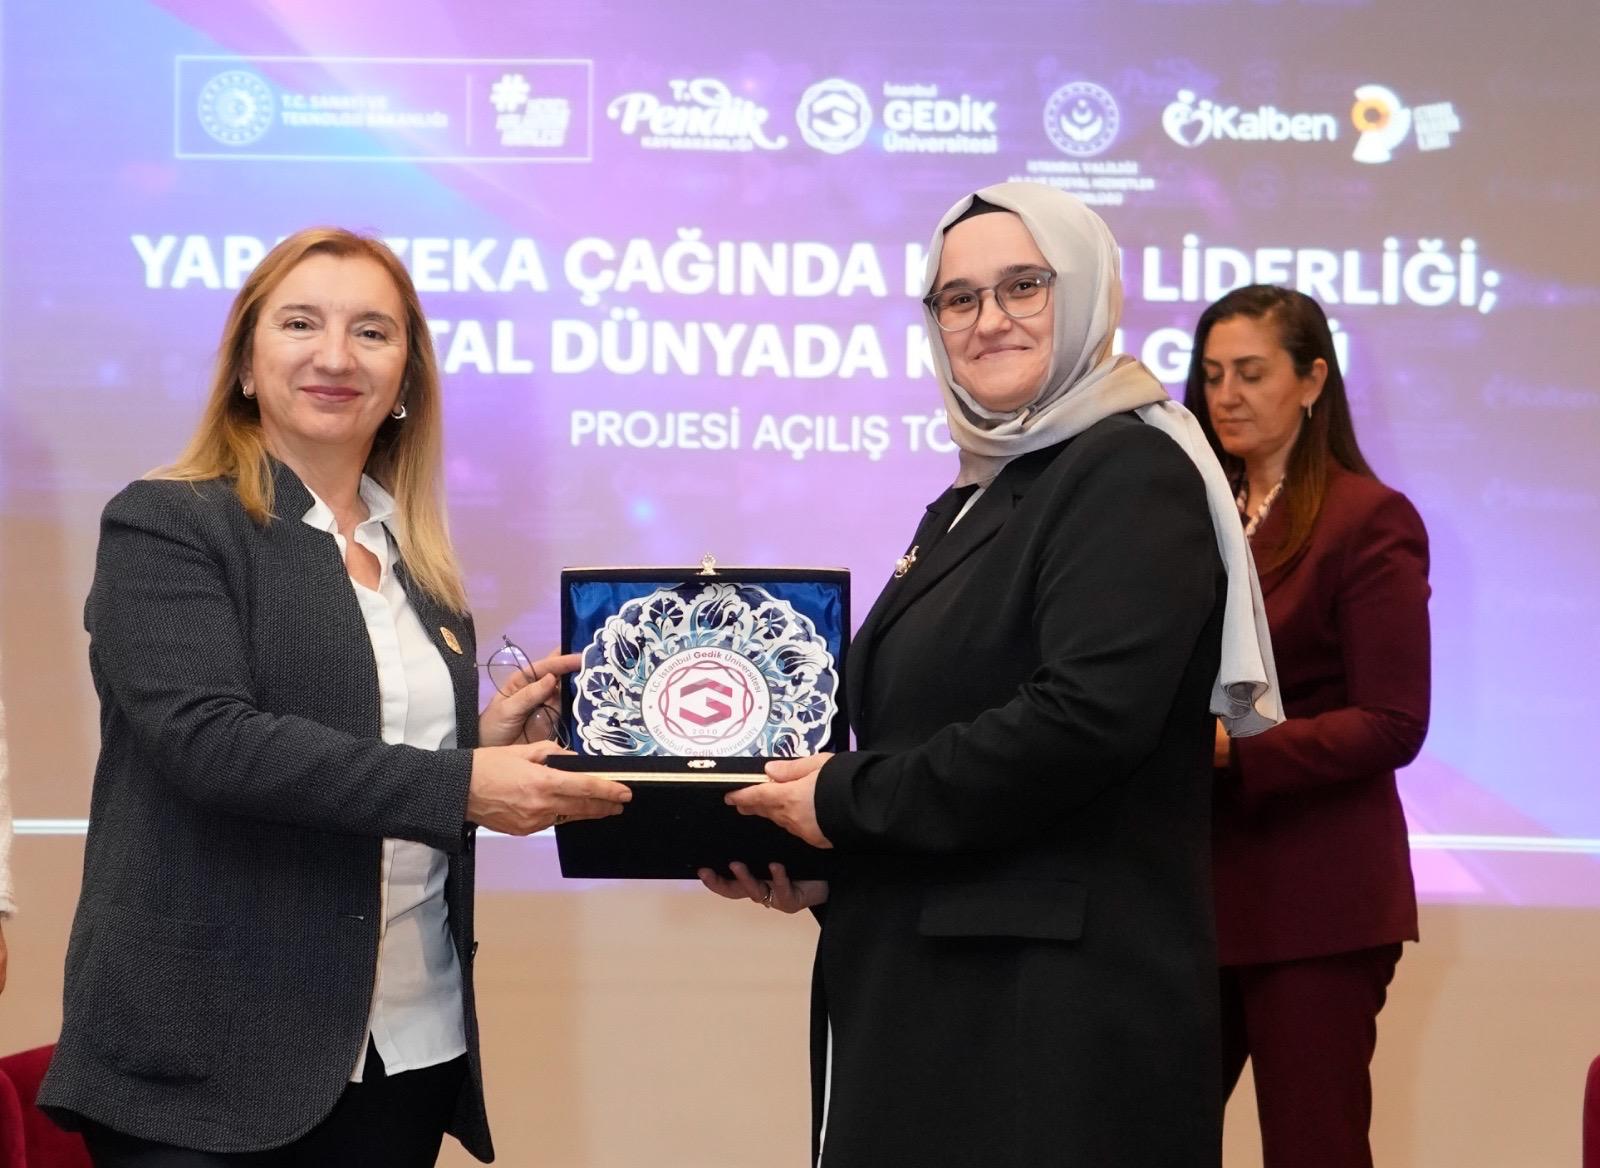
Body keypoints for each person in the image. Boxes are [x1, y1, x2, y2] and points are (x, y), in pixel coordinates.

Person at [700, 182, 1282, 1167]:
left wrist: (845, 800)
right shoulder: (978, 492)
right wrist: (836, 868)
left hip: (1051, 1029)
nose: (988, 319)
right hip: (947, 998)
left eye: (1023, 285)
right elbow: (937, 738)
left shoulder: (1127, 472)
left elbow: (1081, 721)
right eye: (957, 298)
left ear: (1085, 291)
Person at [38, 227, 632, 1166]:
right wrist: (462, 785)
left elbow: (368, 749)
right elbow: (210, 743)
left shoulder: (419, 564)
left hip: (405, 1047)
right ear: (245, 364)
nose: (335, 356)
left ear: (406, 380)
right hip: (208, 1058)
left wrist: (481, 743)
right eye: (300, 323)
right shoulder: (169, 522)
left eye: (372, 332)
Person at [1185, 285, 1430, 1168]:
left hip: (1316, 901)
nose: (1227, 396)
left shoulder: (1367, 518)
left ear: (1314, 380)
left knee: (1311, 1150)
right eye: (1213, 375)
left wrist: (1234, 751)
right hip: (1191, 894)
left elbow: (1393, 723)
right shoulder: (1188, 517)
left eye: (1252, 374)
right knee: (1138, 1134)